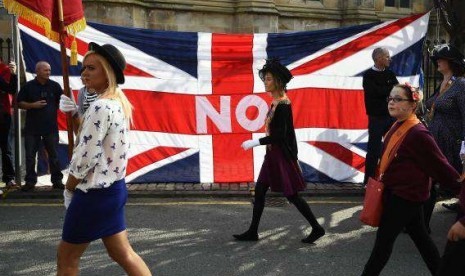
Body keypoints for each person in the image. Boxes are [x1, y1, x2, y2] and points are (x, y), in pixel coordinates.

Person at [56, 42, 151, 276]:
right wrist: (76, 115)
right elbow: (92, 141)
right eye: (84, 68)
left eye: (92, 68)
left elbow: (84, 157)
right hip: (113, 189)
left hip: (93, 193)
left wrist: (69, 188)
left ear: (107, 72)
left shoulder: (100, 106)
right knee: (123, 253)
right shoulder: (117, 102)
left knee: (66, 258)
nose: (84, 73)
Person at [361, 84, 462, 276]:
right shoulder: (397, 124)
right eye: (390, 98)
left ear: (412, 105)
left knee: (382, 245)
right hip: (399, 193)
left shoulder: (418, 133)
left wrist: (461, 189)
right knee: (422, 239)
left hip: (405, 196)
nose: (391, 102)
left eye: (398, 99)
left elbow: (440, 165)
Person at [232, 59, 325, 244]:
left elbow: (280, 136)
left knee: (292, 195)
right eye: (265, 79)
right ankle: (253, 231)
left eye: (268, 79)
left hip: (280, 156)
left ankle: (317, 228)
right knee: (259, 191)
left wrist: (255, 142)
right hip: (273, 155)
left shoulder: (283, 105)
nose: (265, 82)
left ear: (278, 82)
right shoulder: (276, 102)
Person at [424, 44, 465, 229]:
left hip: (453, 143)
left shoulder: (461, 85)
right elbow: (431, 106)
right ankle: (420, 223)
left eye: (441, 59)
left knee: (457, 180)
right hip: (436, 141)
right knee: (429, 179)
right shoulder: (442, 83)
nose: (437, 62)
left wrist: (464, 144)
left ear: (451, 62)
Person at [17, 61, 64, 191]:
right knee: (30, 156)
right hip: (32, 128)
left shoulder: (55, 86)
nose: (48, 72)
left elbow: (64, 102)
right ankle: (30, 182)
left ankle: (57, 181)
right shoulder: (28, 86)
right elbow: (19, 103)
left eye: (49, 70)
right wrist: (33, 105)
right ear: (37, 71)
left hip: (51, 128)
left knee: (53, 155)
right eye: (45, 70)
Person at [362, 47, 399, 185]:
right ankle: (368, 181)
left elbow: (397, 90)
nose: (390, 59)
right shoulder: (368, 75)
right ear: (378, 58)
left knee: (394, 149)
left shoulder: (390, 74)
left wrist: (386, 91)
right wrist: (388, 90)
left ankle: (391, 180)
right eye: (387, 56)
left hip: (391, 117)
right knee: (374, 150)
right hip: (376, 118)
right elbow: (375, 92)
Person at [0, 58, 18, 193]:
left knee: (6, 148)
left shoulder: (3, 70)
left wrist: (13, 74)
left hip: (2, 115)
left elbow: (11, 89)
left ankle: (9, 177)